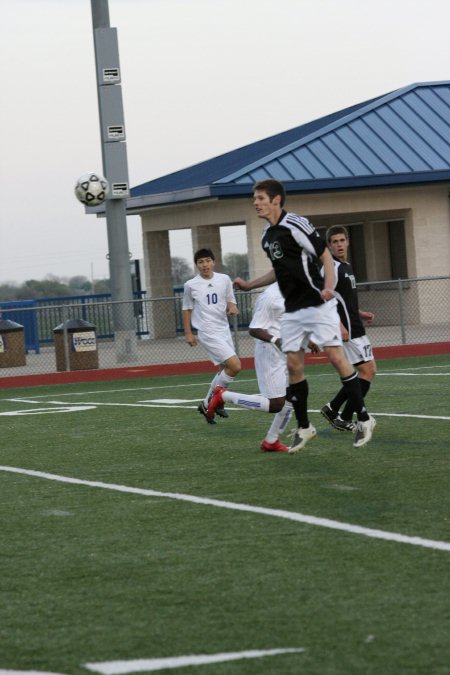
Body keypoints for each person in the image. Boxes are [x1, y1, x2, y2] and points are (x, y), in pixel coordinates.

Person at [231, 178, 376, 452]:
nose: (256, 202)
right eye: (255, 198)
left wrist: (329, 289)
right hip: (294, 308)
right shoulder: (267, 236)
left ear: (276, 200)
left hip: (317, 303)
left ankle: (365, 419)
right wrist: (250, 284)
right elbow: (279, 270)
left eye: (260, 198)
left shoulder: (296, 224)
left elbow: (324, 256)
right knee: (293, 367)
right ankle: (305, 427)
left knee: (336, 357)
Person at [207, 282, 294, 452]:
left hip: (288, 351)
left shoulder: (295, 289)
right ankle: (223, 396)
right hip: (270, 352)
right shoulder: (270, 296)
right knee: (276, 404)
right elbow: (254, 329)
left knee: (293, 395)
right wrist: (276, 340)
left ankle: (271, 441)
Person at [320, 225, 377, 432]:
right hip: (348, 330)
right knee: (367, 371)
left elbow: (344, 299)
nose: (339, 244)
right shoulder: (331, 268)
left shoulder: (346, 266)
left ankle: (335, 410)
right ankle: (339, 414)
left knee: (364, 371)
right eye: (334, 242)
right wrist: (339, 325)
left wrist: (361, 313)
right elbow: (325, 301)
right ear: (329, 245)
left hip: (355, 324)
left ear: (348, 241)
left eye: (342, 240)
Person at [182, 248, 241, 424]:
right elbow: (186, 309)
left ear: (213, 262)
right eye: (201, 262)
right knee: (235, 365)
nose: (205, 265)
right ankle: (213, 401)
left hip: (224, 330)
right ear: (197, 265)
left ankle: (212, 402)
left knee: (225, 369)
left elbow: (231, 300)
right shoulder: (190, 285)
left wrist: (232, 307)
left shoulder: (224, 279)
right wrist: (188, 333)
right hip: (207, 332)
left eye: (207, 260)